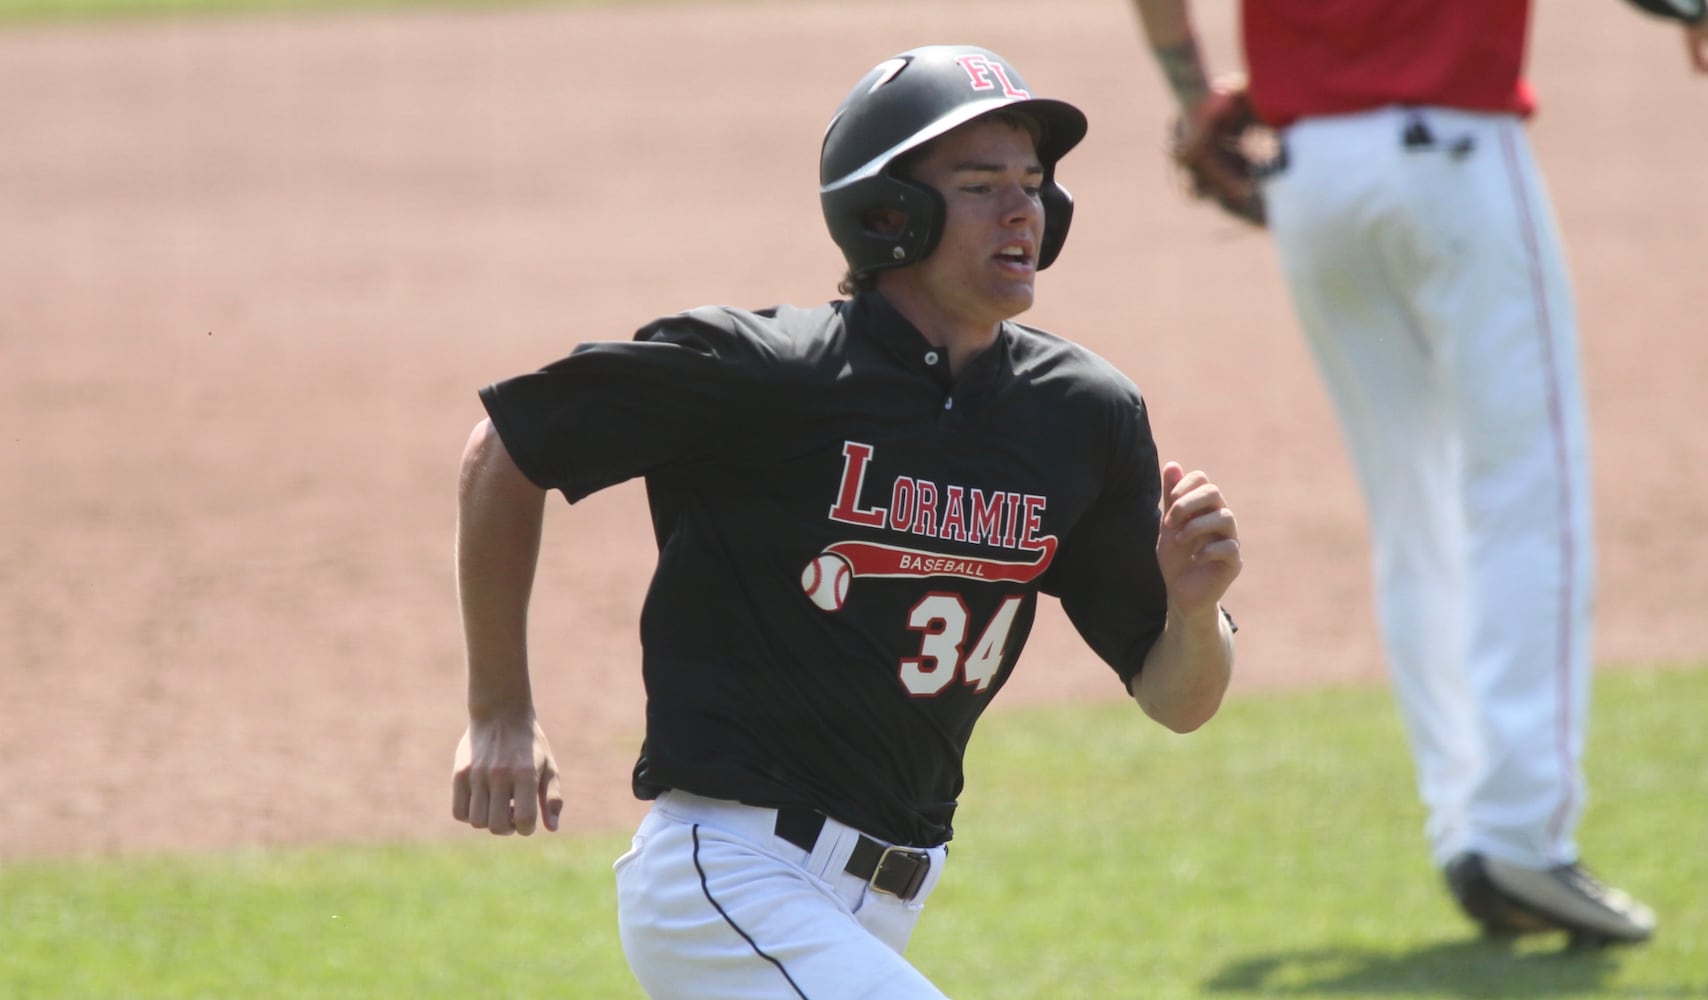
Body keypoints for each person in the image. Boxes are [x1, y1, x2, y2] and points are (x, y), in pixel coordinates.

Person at [448, 44, 1242, 998]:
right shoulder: (767, 372)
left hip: (878, 906)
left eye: (1033, 184)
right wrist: (500, 711)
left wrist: (1195, 614)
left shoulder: (1082, 414)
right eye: (982, 185)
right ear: (887, 213)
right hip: (727, 881)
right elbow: (505, 449)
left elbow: (1177, 699)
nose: (1023, 209)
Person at [1130, 0, 1708, 948]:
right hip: (1452, 155)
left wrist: (1192, 94)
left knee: (1409, 508)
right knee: (1526, 489)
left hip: (1311, 176)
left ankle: (1465, 823)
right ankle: (1519, 835)